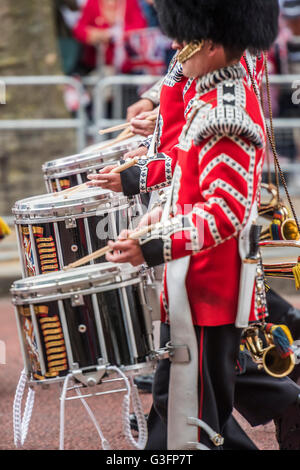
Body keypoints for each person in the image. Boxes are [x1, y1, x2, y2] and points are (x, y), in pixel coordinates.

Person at [87, 0, 299, 451]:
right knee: (188, 418)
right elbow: (187, 175)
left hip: (210, 286)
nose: (177, 46)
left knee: (189, 428)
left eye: (188, 37)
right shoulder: (205, 92)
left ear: (216, 43)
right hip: (192, 280)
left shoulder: (224, 112)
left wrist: (152, 245)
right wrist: (148, 208)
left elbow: (225, 212)